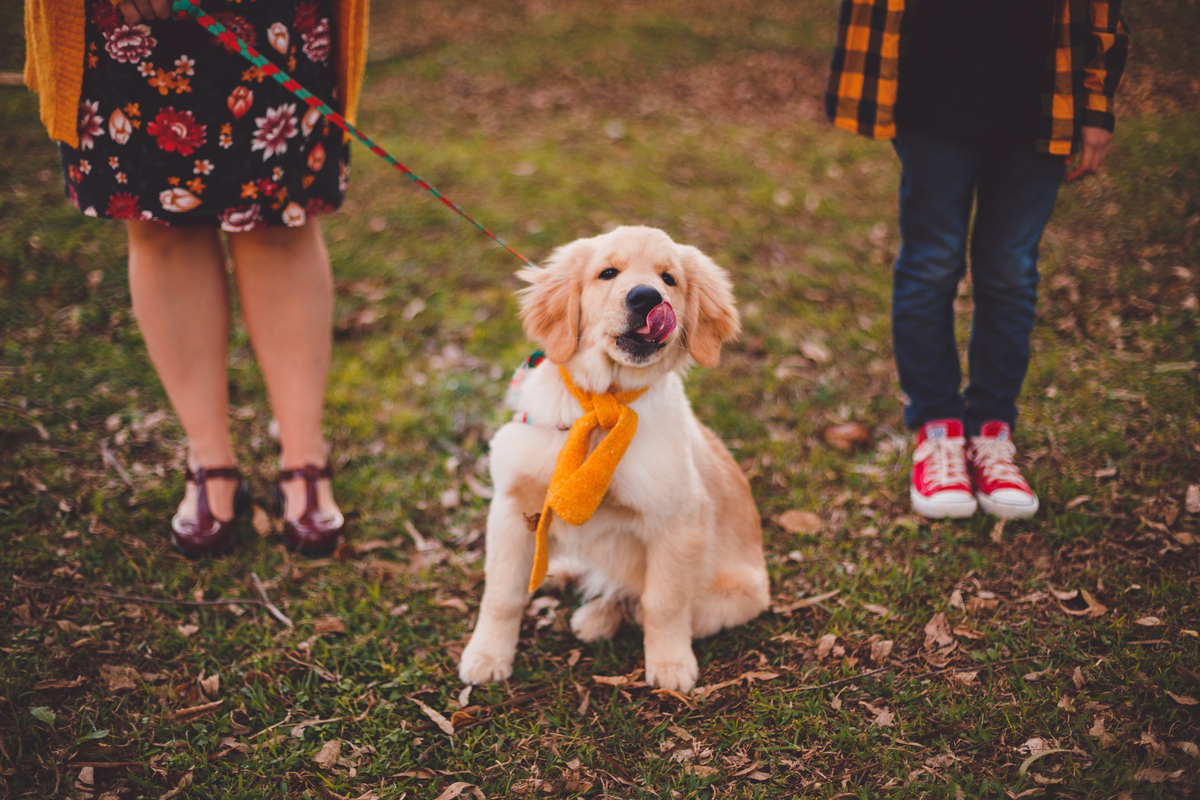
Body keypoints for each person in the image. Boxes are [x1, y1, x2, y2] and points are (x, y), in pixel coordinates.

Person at [24, 0, 370, 555]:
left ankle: (304, 455)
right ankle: (210, 456)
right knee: (158, 220)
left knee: (281, 215)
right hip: (132, 24)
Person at [825, 0, 1128, 519]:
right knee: (932, 262)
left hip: (1042, 89)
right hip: (931, 81)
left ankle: (991, 433)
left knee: (1011, 269)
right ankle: (938, 432)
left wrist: (1095, 103)